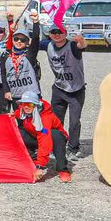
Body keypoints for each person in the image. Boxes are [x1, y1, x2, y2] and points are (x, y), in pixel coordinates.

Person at [39, 25, 87, 158]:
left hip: (76, 89)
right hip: (59, 88)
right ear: (49, 34)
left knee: (74, 121)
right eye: (54, 32)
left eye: (60, 32)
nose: (57, 34)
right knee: (55, 120)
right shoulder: (47, 45)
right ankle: (57, 146)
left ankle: (73, 147)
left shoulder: (72, 46)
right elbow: (29, 43)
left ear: (65, 33)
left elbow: (82, 46)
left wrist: (81, 40)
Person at [14, 91, 71, 182]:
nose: (27, 107)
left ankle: (63, 169)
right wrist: (12, 115)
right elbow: (19, 112)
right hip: (37, 135)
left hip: (53, 137)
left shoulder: (44, 118)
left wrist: (40, 166)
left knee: (55, 135)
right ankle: (33, 160)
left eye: (30, 104)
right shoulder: (24, 110)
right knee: (19, 133)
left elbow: (45, 141)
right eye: (24, 104)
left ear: (36, 105)